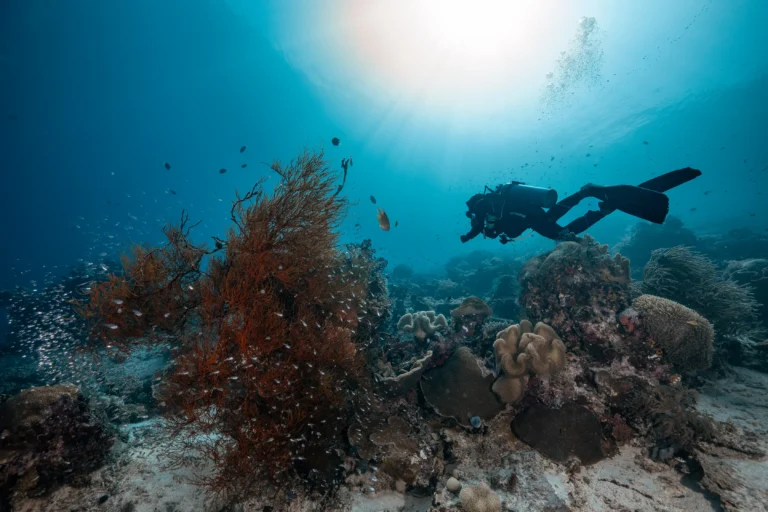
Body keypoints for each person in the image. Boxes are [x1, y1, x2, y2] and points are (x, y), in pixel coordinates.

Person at [460, 167, 702, 244]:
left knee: (565, 235)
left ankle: (601, 208)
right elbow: (481, 229)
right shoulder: (491, 203)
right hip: (535, 214)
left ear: (474, 207)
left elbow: (487, 232)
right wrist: (469, 234)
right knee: (558, 215)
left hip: (532, 218)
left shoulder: (482, 210)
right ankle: (587, 193)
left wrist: (472, 233)